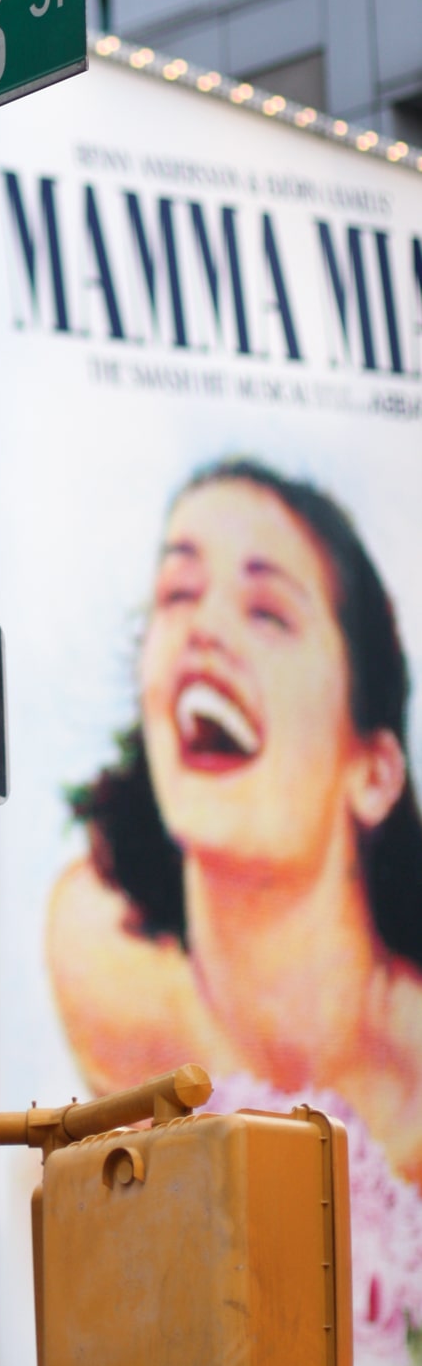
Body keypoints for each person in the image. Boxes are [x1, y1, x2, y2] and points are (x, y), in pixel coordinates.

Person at [47, 459, 422, 1197]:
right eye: (177, 593)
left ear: (373, 772)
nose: (202, 629)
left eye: (267, 612)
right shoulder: (94, 955)